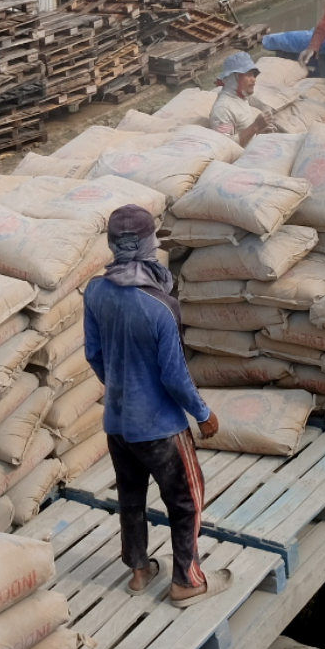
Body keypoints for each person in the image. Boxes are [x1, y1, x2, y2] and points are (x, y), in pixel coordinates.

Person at [82, 205, 227, 606]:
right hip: (161, 429)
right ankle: (186, 580)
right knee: (187, 501)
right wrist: (203, 413)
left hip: (117, 423)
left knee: (131, 497)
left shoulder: (95, 291)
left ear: (112, 245)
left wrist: (122, 390)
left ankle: (140, 570)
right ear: (149, 245)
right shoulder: (161, 306)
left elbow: (93, 353)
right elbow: (174, 376)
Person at [207, 51, 268, 145]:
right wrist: (255, 127)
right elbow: (225, 146)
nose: (254, 79)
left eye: (253, 75)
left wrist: (259, 130)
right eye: (248, 75)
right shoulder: (223, 110)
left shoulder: (240, 98)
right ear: (233, 78)